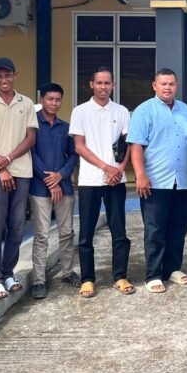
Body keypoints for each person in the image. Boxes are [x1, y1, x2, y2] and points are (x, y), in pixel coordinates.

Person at [0, 57, 38, 301]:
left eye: (7, 75)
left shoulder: (27, 103)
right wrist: (1, 168)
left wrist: (9, 159)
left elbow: (30, 138)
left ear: (15, 75)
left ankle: (9, 274)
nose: (4, 80)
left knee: (17, 224)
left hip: (21, 171)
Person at [128, 68, 187, 293]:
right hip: (154, 181)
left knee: (178, 227)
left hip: (182, 180)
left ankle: (173, 268)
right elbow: (136, 145)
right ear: (154, 86)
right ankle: (154, 274)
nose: (168, 88)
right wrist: (140, 175)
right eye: (163, 84)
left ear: (176, 86)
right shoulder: (144, 111)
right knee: (155, 229)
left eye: (171, 84)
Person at [70, 67, 132, 298]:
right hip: (90, 180)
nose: (103, 87)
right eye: (99, 83)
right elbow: (79, 146)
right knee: (86, 233)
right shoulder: (80, 111)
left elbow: (128, 144)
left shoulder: (122, 111)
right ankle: (87, 279)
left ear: (113, 85)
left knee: (119, 231)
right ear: (91, 85)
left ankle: (120, 276)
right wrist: (106, 168)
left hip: (116, 180)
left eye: (107, 83)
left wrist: (119, 169)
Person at [29, 83, 79, 300]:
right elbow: (31, 154)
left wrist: (61, 175)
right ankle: (39, 280)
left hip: (64, 187)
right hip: (39, 188)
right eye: (50, 99)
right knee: (41, 235)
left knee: (67, 232)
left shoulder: (65, 128)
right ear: (42, 99)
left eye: (58, 99)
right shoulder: (32, 126)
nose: (54, 103)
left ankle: (68, 272)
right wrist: (50, 180)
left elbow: (74, 155)